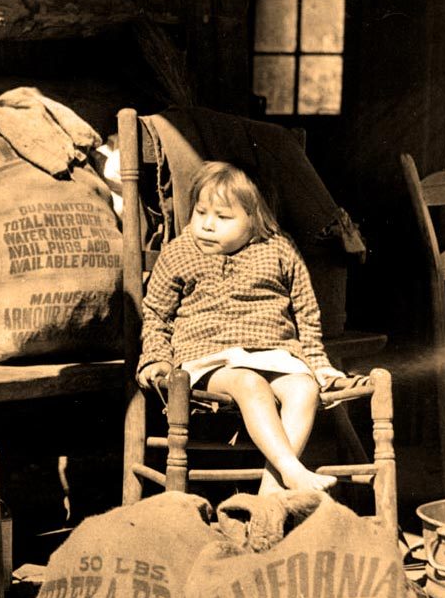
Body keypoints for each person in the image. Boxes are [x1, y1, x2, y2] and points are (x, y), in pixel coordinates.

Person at [136, 160, 346, 493]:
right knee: (249, 384)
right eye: (201, 212)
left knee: (305, 389)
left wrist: (319, 366)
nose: (207, 225)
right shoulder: (179, 252)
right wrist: (156, 358)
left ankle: (269, 497)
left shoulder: (279, 249)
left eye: (223, 217)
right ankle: (291, 470)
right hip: (209, 357)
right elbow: (156, 315)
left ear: (255, 219)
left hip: (275, 353)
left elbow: (306, 314)